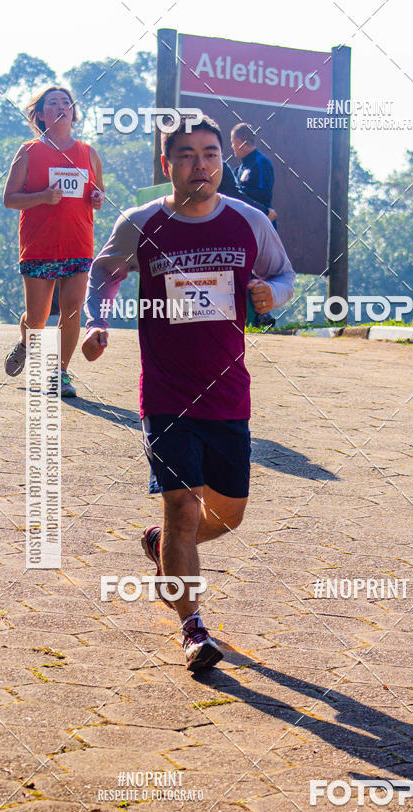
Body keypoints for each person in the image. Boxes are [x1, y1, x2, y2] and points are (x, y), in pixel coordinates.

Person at [81, 114, 295, 671]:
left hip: (228, 395)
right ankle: (193, 629)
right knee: (182, 508)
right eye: (186, 155)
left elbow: (284, 274)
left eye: (209, 154)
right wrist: (95, 319)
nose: (199, 164)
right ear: (166, 164)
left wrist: (272, 293)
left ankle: (162, 548)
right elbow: (103, 272)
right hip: (166, 395)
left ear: (222, 160)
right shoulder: (141, 221)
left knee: (227, 516)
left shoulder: (249, 222)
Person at [3, 86, 104, 397]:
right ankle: (26, 340)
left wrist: (98, 198)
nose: (61, 107)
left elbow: (97, 194)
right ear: (41, 115)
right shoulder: (29, 151)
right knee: (38, 319)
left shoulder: (88, 153)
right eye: (52, 103)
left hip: (78, 243)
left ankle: (59, 373)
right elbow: (10, 199)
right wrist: (43, 197)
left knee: (72, 309)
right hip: (39, 245)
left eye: (66, 102)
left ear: (73, 112)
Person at [230, 123, 278, 328]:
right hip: (241, 225)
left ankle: (263, 314)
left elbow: (262, 196)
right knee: (241, 268)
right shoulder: (238, 168)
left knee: (259, 270)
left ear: (240, 142)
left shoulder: (261, 163)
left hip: (260, 224)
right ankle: (244, 316)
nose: (232, 147)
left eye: (233, 142)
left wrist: (263, 211)